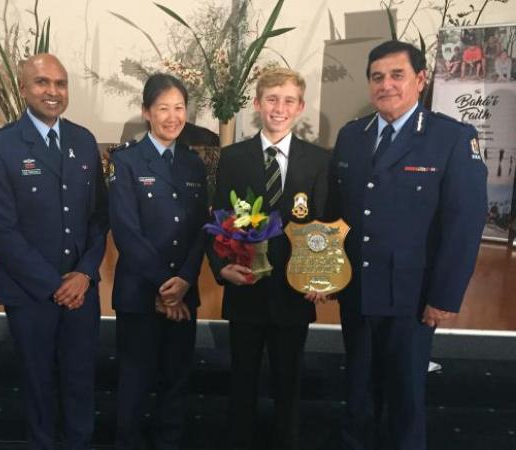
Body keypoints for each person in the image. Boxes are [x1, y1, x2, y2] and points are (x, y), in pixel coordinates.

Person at [327, 40, 487, 450]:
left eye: (397, 75)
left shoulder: (451, 138)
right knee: (358, 396)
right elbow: (335, 217)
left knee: (405, 400)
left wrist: (444, 296)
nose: (387, 85)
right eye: (377, 77)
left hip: (411, 298)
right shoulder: (351, 137)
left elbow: (464, 225)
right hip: (358, 291)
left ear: (420, 79)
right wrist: (324, 273)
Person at [0, 53, 108, 449]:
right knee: (39, 383)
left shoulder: (84, 141)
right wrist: (55, 284)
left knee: (81, 378)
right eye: (42, 82)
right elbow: (1, 230)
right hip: (31, 292)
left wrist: (84, 273)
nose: (53, 91)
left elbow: (99, 217)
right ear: (22, 88)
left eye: (60, 83)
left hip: (81, 290)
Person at [206, 68, 330, 450]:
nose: (279, 108)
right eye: (272, 99)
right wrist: (220, 267)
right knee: (241, 382)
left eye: (288, 100)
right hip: (246, 287)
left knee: (288, 385)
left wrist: (321, 277)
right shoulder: (233, 158)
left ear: (300, 107)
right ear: (257, 104)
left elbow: (323, 225)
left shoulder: (318, 160)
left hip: (294, 293)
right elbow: (218, 218)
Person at [108, 73, 208, 450]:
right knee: (135, 381)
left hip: (183, 293)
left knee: (176, 381)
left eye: (179, 108)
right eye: (163, 108)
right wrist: (165, 290)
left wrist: (184, 281)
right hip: (139, 293)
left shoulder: (194, 164)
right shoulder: (127, 161)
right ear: (146, 112)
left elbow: (202, 228)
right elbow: (126, 234)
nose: (172, 116)